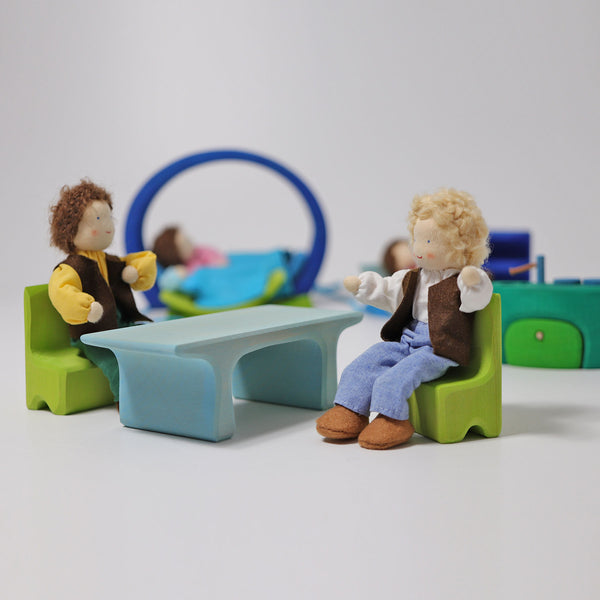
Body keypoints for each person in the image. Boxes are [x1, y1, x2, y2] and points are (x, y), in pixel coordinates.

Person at [316, 188, 493, 450]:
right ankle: (350, 410)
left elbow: (477, 299)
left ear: (459, 244)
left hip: (438, 349)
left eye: (429, 242)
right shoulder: (414, 277)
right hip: (407, 342)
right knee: (365, 362)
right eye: (417, 240)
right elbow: (389, 289)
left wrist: (472, 282)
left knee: (395, 376)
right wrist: (364, 286)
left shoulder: (460, 280)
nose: (418, 250)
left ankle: (393, 419)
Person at [48, 179, 157, 401]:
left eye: (109, 218)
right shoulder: (70, 268)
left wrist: (135, 271)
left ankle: (160, 387)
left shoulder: (110, 261)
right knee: (114, 361)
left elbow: (141, 265)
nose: (108, 226)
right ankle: (127, 402)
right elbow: (61, 291)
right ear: (72, 229)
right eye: (98, 219)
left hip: (120, 325)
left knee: (153, 339)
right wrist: (83, 308)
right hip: (91, 334)